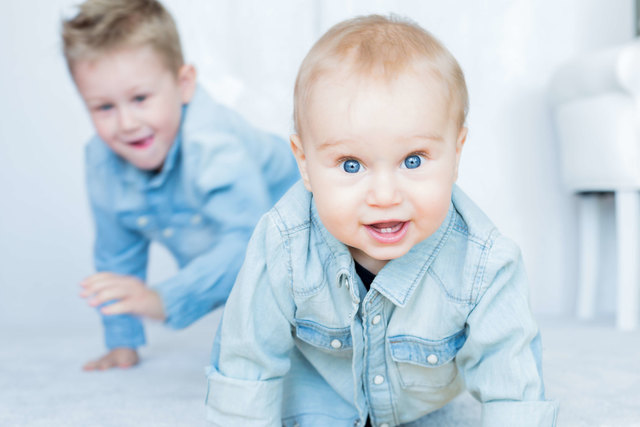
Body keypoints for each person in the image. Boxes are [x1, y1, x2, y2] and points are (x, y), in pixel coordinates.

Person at [205, 14, 557, 426]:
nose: (386, 196)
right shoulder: (283, 242)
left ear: (456, 153)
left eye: (413, 161)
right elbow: (248, 358)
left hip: (419, 404)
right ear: (304, 163)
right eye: (351, 165)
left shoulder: (484, 262)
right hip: (321, 391)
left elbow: (513, 387)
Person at [61, 0, 299, 371]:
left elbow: (251, 243)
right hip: (254, 262)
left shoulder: (212, 144)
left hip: (312, 231)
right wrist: (123, 340)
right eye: (103, 107)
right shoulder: (102, 161)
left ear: (184, 84)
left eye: (140, 98)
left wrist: (164, 299)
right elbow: (117, 255)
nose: (126, 122)